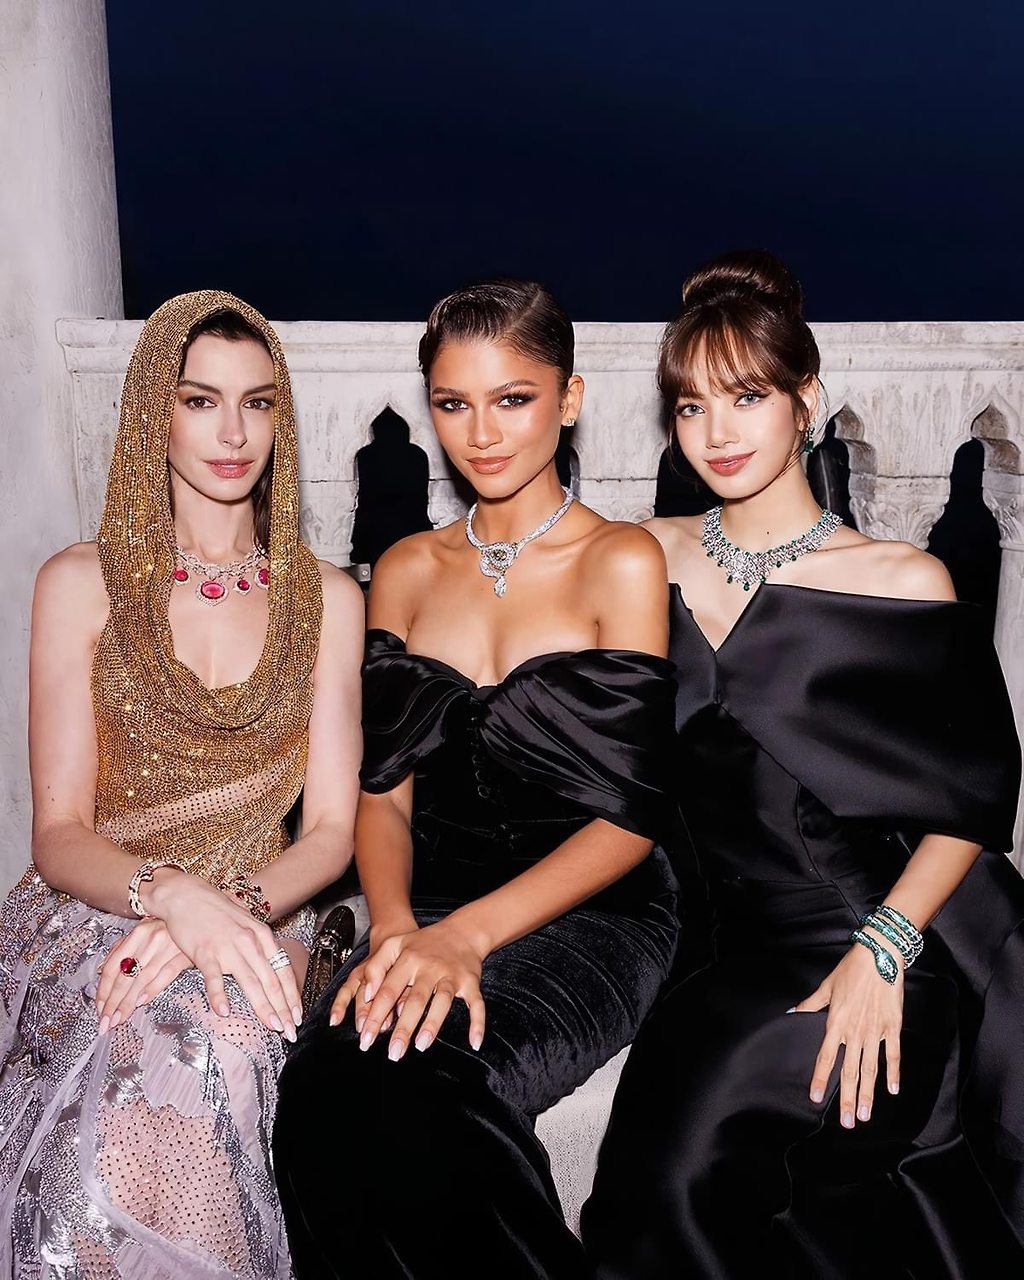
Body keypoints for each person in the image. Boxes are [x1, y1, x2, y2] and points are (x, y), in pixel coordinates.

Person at [583, 250, 1024, 1277]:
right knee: (656, 1170)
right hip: (714, 949)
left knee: (696, 1165)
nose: (717, 432)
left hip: (872, 937)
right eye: (691, 406)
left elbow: (970, 801)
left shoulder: (899, 577)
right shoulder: (640, 555)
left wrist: (883, 952)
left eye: (746, 396)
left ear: (805, 400)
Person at [273, 278, 679, 1279]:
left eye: (513, 399)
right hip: (426, 900)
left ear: (568, 399)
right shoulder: (405, 569)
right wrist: (395, 926)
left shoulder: (621, 559)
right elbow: (383, 793)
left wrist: (467, 937)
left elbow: (631, 820)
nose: (482, 433)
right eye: (453, 403)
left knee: (428, 1078)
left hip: (593, 907)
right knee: (327, 1083)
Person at [0, 291, 364, 1279]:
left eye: (258, 402)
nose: (233, 433)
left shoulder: (328, 598)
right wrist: (171, 895)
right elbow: (59, 831)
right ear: (152, 413)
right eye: (201, 400)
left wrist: (225, 908)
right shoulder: (80, 582)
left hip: (266, 905)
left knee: (221, 1031)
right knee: (137, 1064)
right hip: (97, 904)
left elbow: (331, 831)